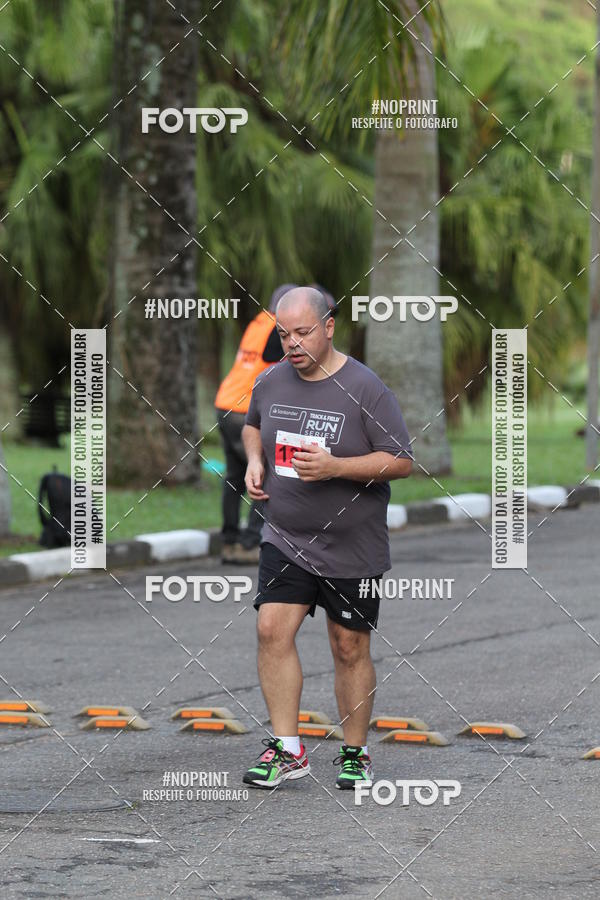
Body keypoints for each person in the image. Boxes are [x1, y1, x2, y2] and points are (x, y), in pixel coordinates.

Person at [240, 286, 413, 790]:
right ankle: (287, 749)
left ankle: (355, 753)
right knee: (271, 630)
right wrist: (255, 461)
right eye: (283, 333)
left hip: (351, 546)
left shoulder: (366, 388)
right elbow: (253, 426)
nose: (291, 343)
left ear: (329, 326)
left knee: (348, 646)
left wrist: (336, 466)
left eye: (302, 332)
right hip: (286, 535)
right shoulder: (271, 380)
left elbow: (400, 460)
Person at [214, 284, 296, 564]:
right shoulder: (277, 330)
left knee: (234, 477)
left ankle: (229, 541)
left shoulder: (259, 322)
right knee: (265, 473)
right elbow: (284, 366)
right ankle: (250, 543)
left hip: (225, 403)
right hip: (245, 411)